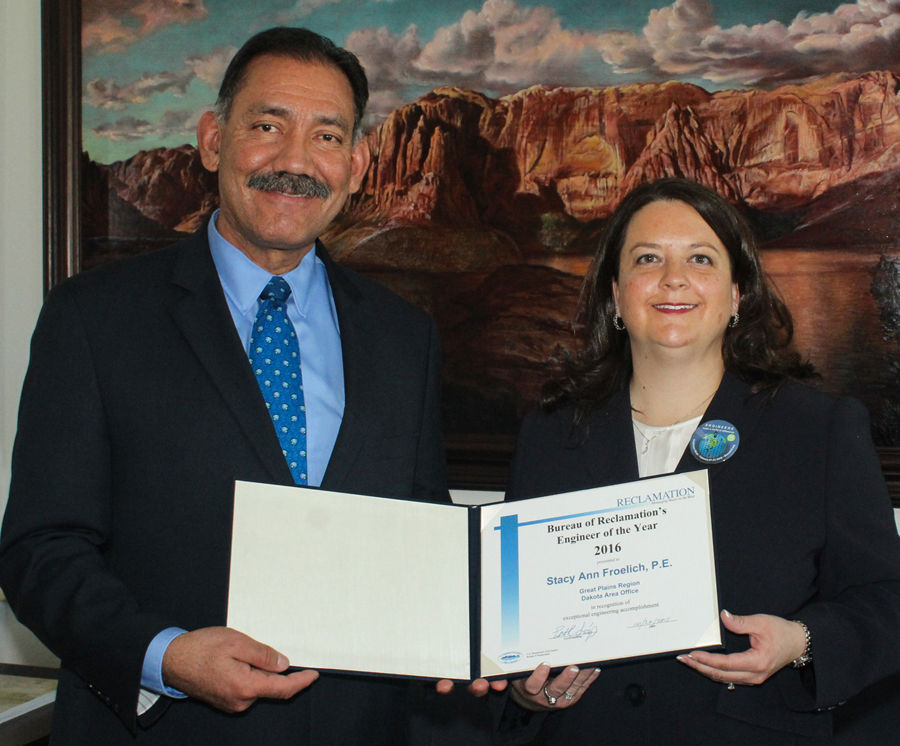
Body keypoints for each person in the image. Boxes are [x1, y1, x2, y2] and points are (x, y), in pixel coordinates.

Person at [0, 27, 448, 746]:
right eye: (268, 126)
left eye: (327, 137)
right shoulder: (93, 318)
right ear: (213, 141)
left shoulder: (405, 338)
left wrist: (516, 644)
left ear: (359, 165)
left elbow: (425, 539)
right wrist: (165, 654)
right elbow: (40, 551)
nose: (296, 162)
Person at [499, 178, 900, 744]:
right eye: (647, 258)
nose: (673, 278)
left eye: (701, 258)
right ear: (616, 295)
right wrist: (524, 689)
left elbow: (887, 600)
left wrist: (803, 641)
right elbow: (511, 621)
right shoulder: (548, 435)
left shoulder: (818, 430)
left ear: (737, 295)